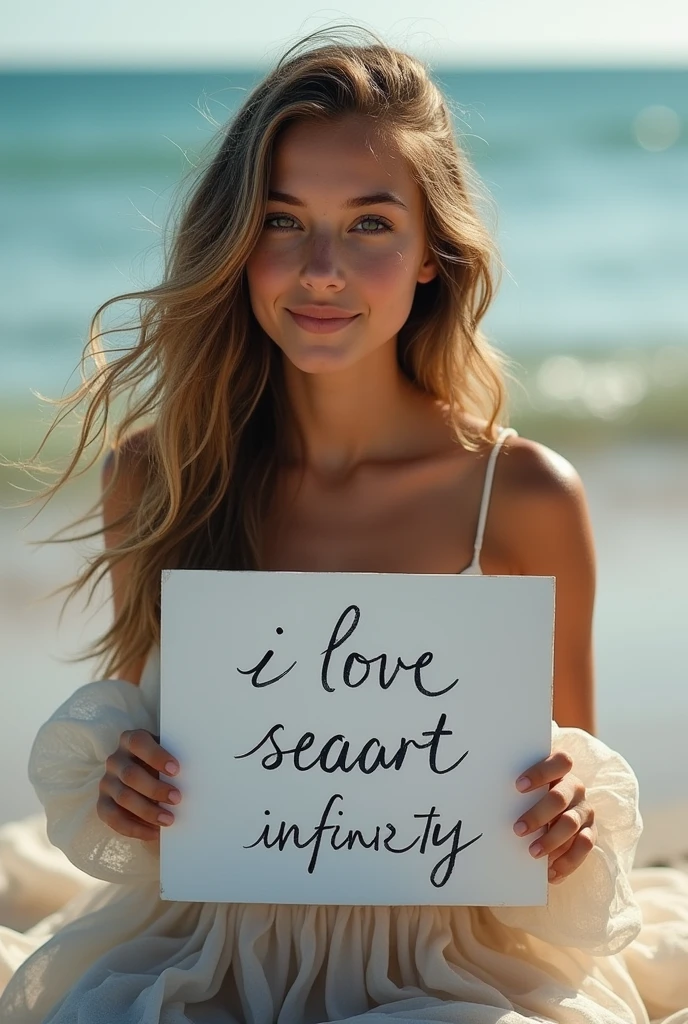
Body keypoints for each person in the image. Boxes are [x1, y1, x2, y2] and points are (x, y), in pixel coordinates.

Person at [0, 26, 687, 1024]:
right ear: (237, 245)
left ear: (430, 257)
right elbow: (156, 750)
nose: (320, 267)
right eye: (283, 220)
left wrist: (570, 817)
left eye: (369, 225)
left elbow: (566, 797)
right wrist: (126, 785)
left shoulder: (524, 494)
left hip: (448, 956)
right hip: (212, 941)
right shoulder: (159, 476)